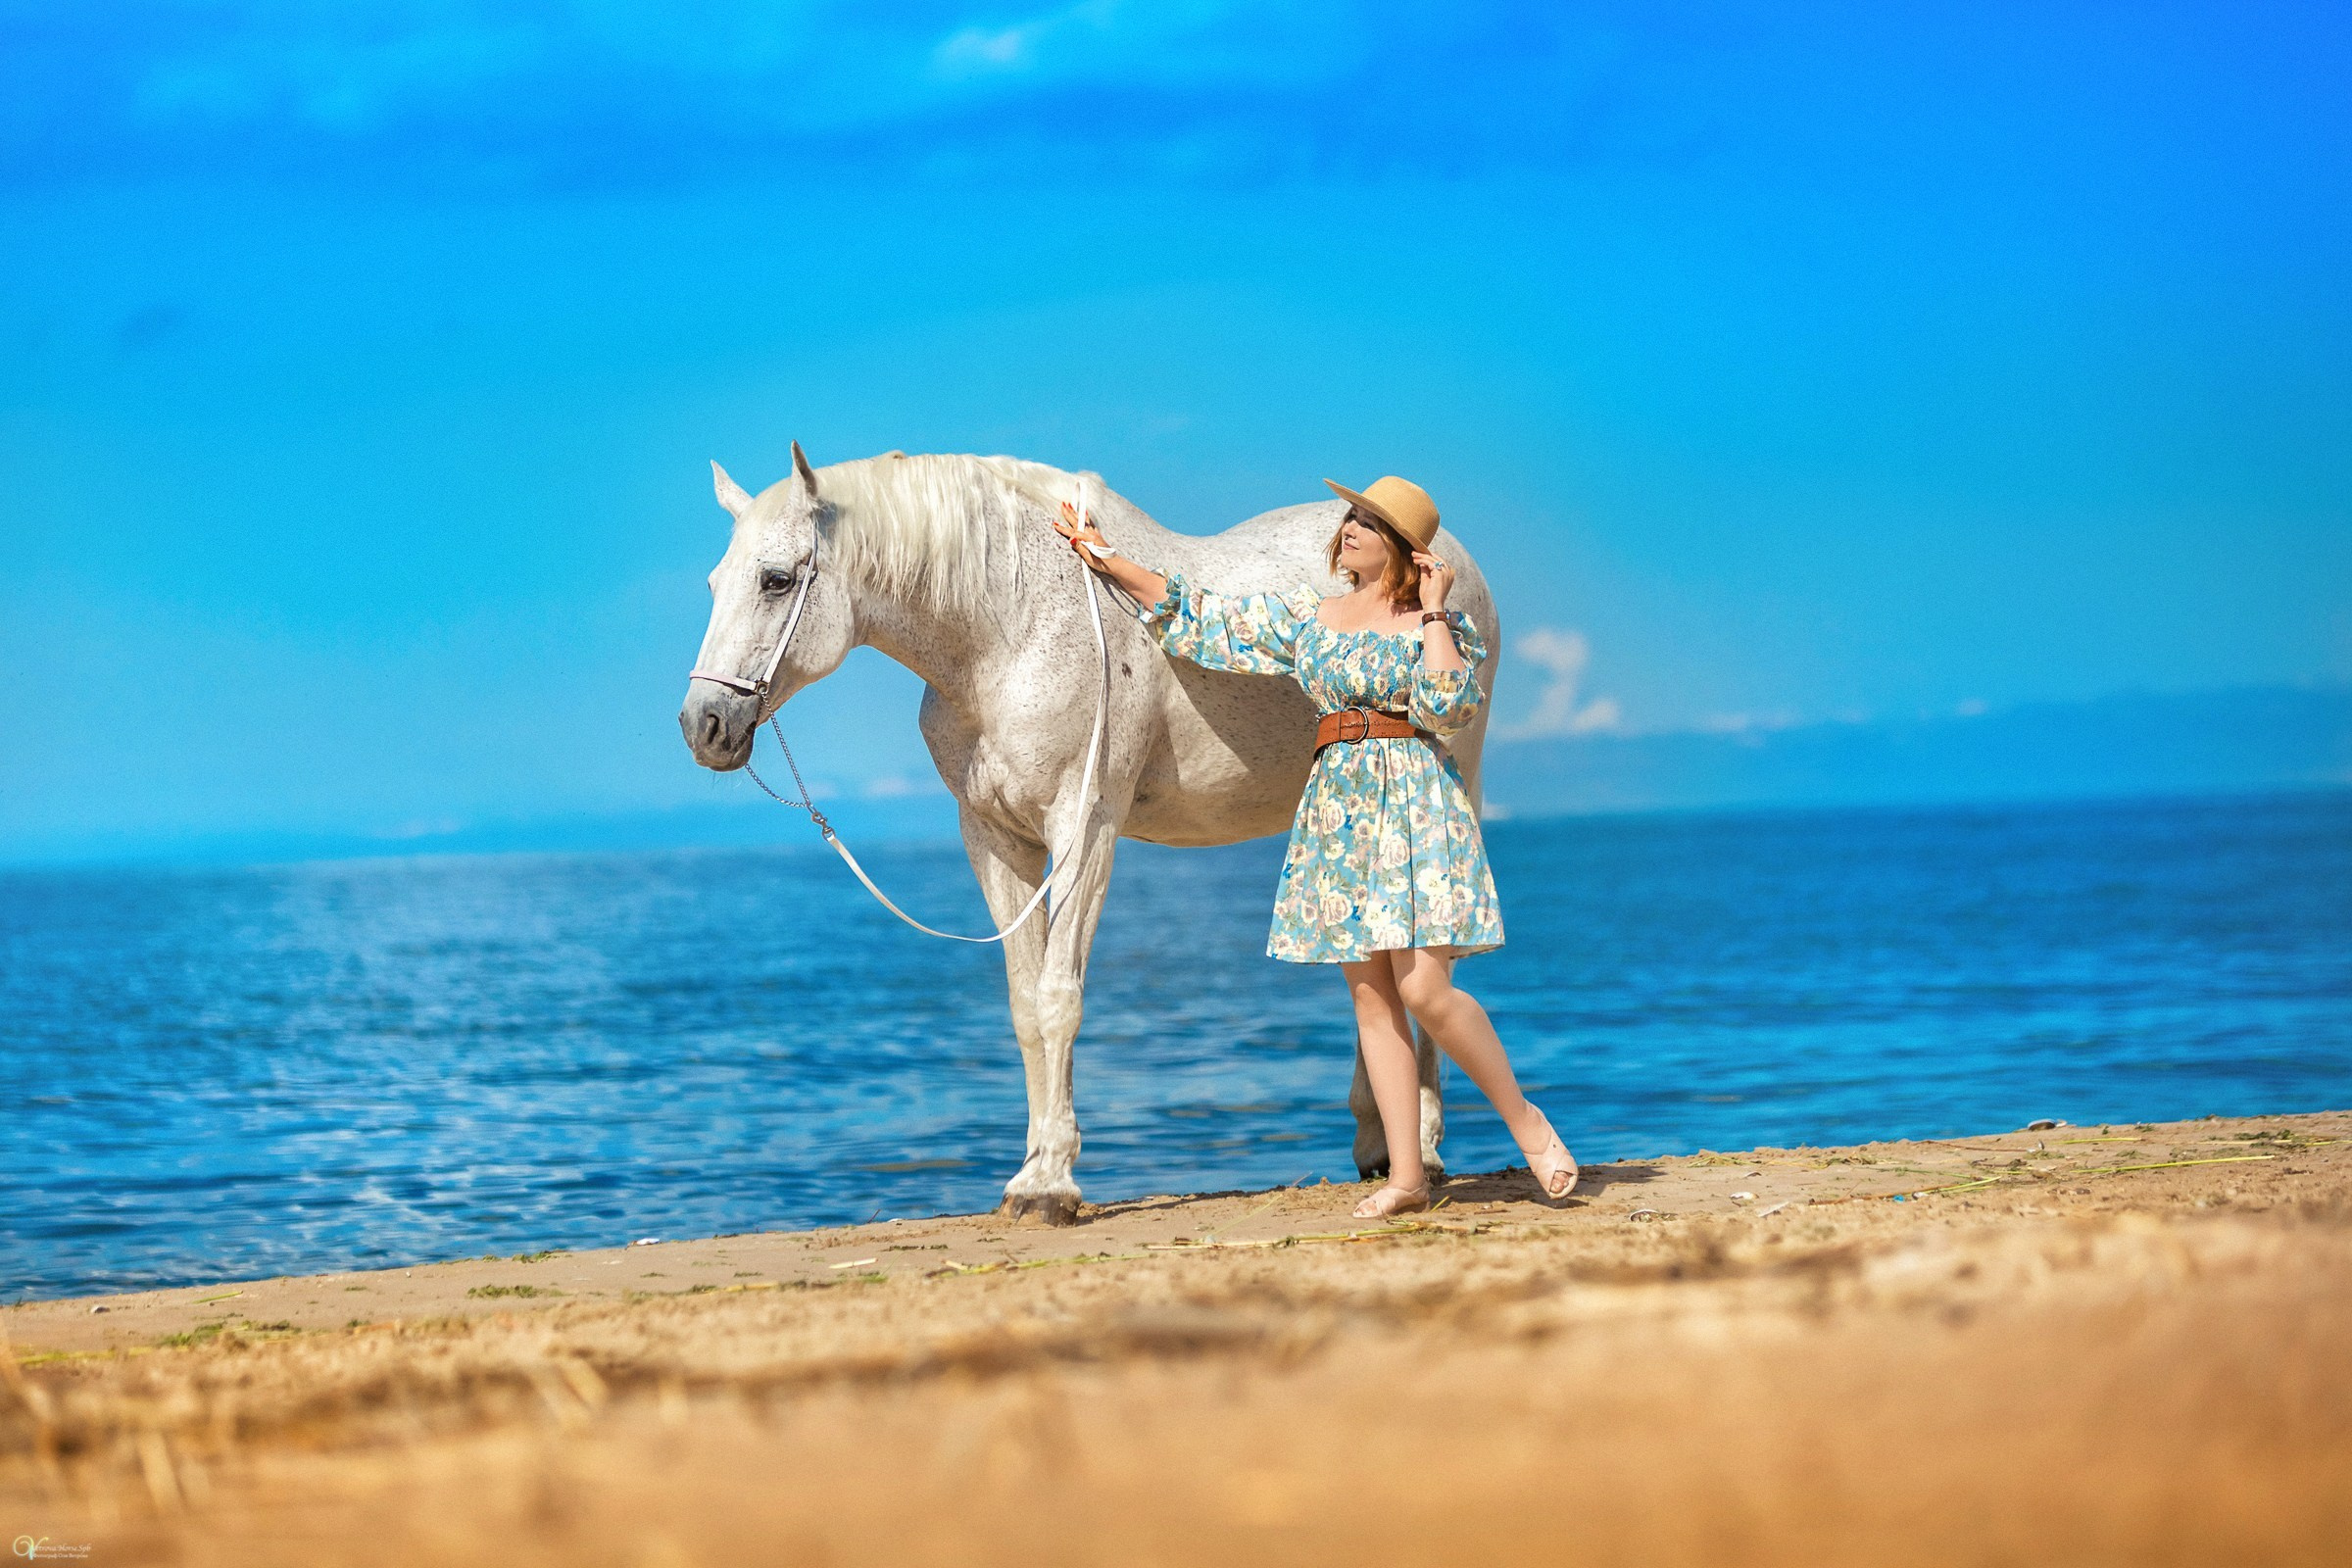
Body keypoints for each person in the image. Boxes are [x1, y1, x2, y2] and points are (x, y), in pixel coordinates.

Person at [1054, 474, 1578, 1218]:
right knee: (1372, 1002)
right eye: (1354, 515)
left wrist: (1432, 611)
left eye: (1372, 521)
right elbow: (1202, 617)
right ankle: (1406, 1178)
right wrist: (1104, 555)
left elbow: (1451, 705)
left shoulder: (1439, 626)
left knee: (1425, 990)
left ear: (1404, 549)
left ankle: (1527, 1123)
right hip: (1339, 810)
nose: (1352, 526)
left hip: (1416, 801)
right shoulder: (1314, 618)